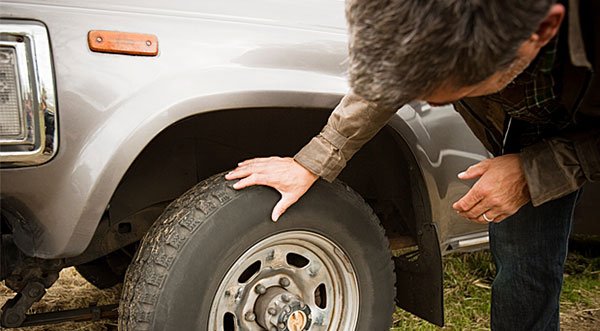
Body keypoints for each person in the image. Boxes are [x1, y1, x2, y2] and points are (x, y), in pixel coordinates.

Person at [227, 0, 599, 330]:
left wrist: (533, 172)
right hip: (532, 118)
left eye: (446, 94)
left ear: (542, 29)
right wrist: (314, 160)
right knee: (524, 268)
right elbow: (388, 80)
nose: (426, 104)